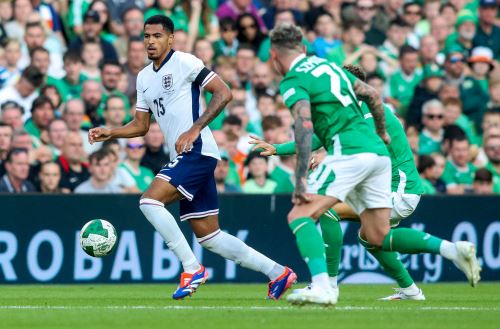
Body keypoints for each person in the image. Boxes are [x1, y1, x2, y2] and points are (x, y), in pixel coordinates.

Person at [265, 24, 480, 305]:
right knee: (374, 236)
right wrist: (382, 131)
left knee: (303, 214)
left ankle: (325, 285)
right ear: (304, 49)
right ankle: (450, 253)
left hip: (380, 173)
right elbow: (372, 96)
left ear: (273, 55)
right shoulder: (332, 71)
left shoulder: (296, 79)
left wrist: (301, 178)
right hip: (378, 163)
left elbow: (306, 126)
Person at [88, 15, 295, 301]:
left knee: (149, 201)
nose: (150, 41)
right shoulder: (144, 77)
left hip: (197, 151)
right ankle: (278, 273)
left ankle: (191, 268)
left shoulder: (185, 62)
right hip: (185, 155)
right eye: (147, 36)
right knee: (211, 237)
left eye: (157, 36)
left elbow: (224, 92)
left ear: (170, 39)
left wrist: (195, 128)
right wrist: (111, 132)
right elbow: (141, 125)